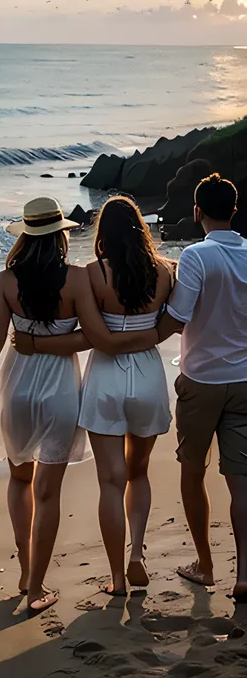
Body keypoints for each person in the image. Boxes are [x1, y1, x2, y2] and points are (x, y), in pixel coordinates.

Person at [0, 197, 158, 612]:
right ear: (61, 237)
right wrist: (52, 344)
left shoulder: (6, 280)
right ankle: (36, 588)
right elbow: (93, 337)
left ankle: (25, 572)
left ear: (24, 236)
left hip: (15, 386)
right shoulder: (75, 280)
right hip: (59, 392)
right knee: (47, 493)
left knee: (19, 481)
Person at [14, 196, 174, 595]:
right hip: (149, 374)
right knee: (139, 471)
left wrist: (34, 345)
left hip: (105, 377)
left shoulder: (92, 273)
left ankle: (118, 578)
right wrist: (151, 335)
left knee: (111, 482)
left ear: (102, 235)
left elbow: (92, 336)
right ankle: (137, 554)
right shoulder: (167, 271)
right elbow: (174, 323)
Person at [158, 173, 247, 599]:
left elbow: (178, 317)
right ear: (234, 209)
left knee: (193, 473)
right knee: (242, 479)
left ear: (197, 212)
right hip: (245, 381)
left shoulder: (196, 256)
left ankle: (206, 565)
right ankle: (245, 572)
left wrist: (129, 338)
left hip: (200, 381)